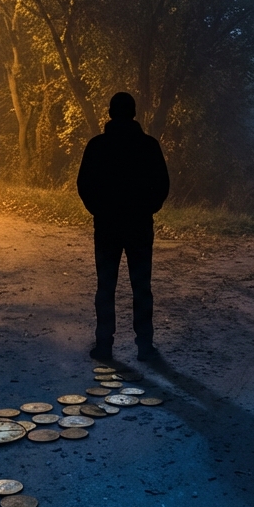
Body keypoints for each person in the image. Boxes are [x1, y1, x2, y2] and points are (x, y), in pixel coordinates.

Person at [76, 92, 170, 363]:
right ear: (134, 113)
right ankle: (144, 346)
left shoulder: (97, 146)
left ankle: (104, 345)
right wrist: (148, 209)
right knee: (141, 286)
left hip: (106, 225)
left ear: (110, 113)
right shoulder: (149, 145)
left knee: (106, 287)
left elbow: (84, 185)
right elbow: (162, 185)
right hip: (140, 225)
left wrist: (98, 210)